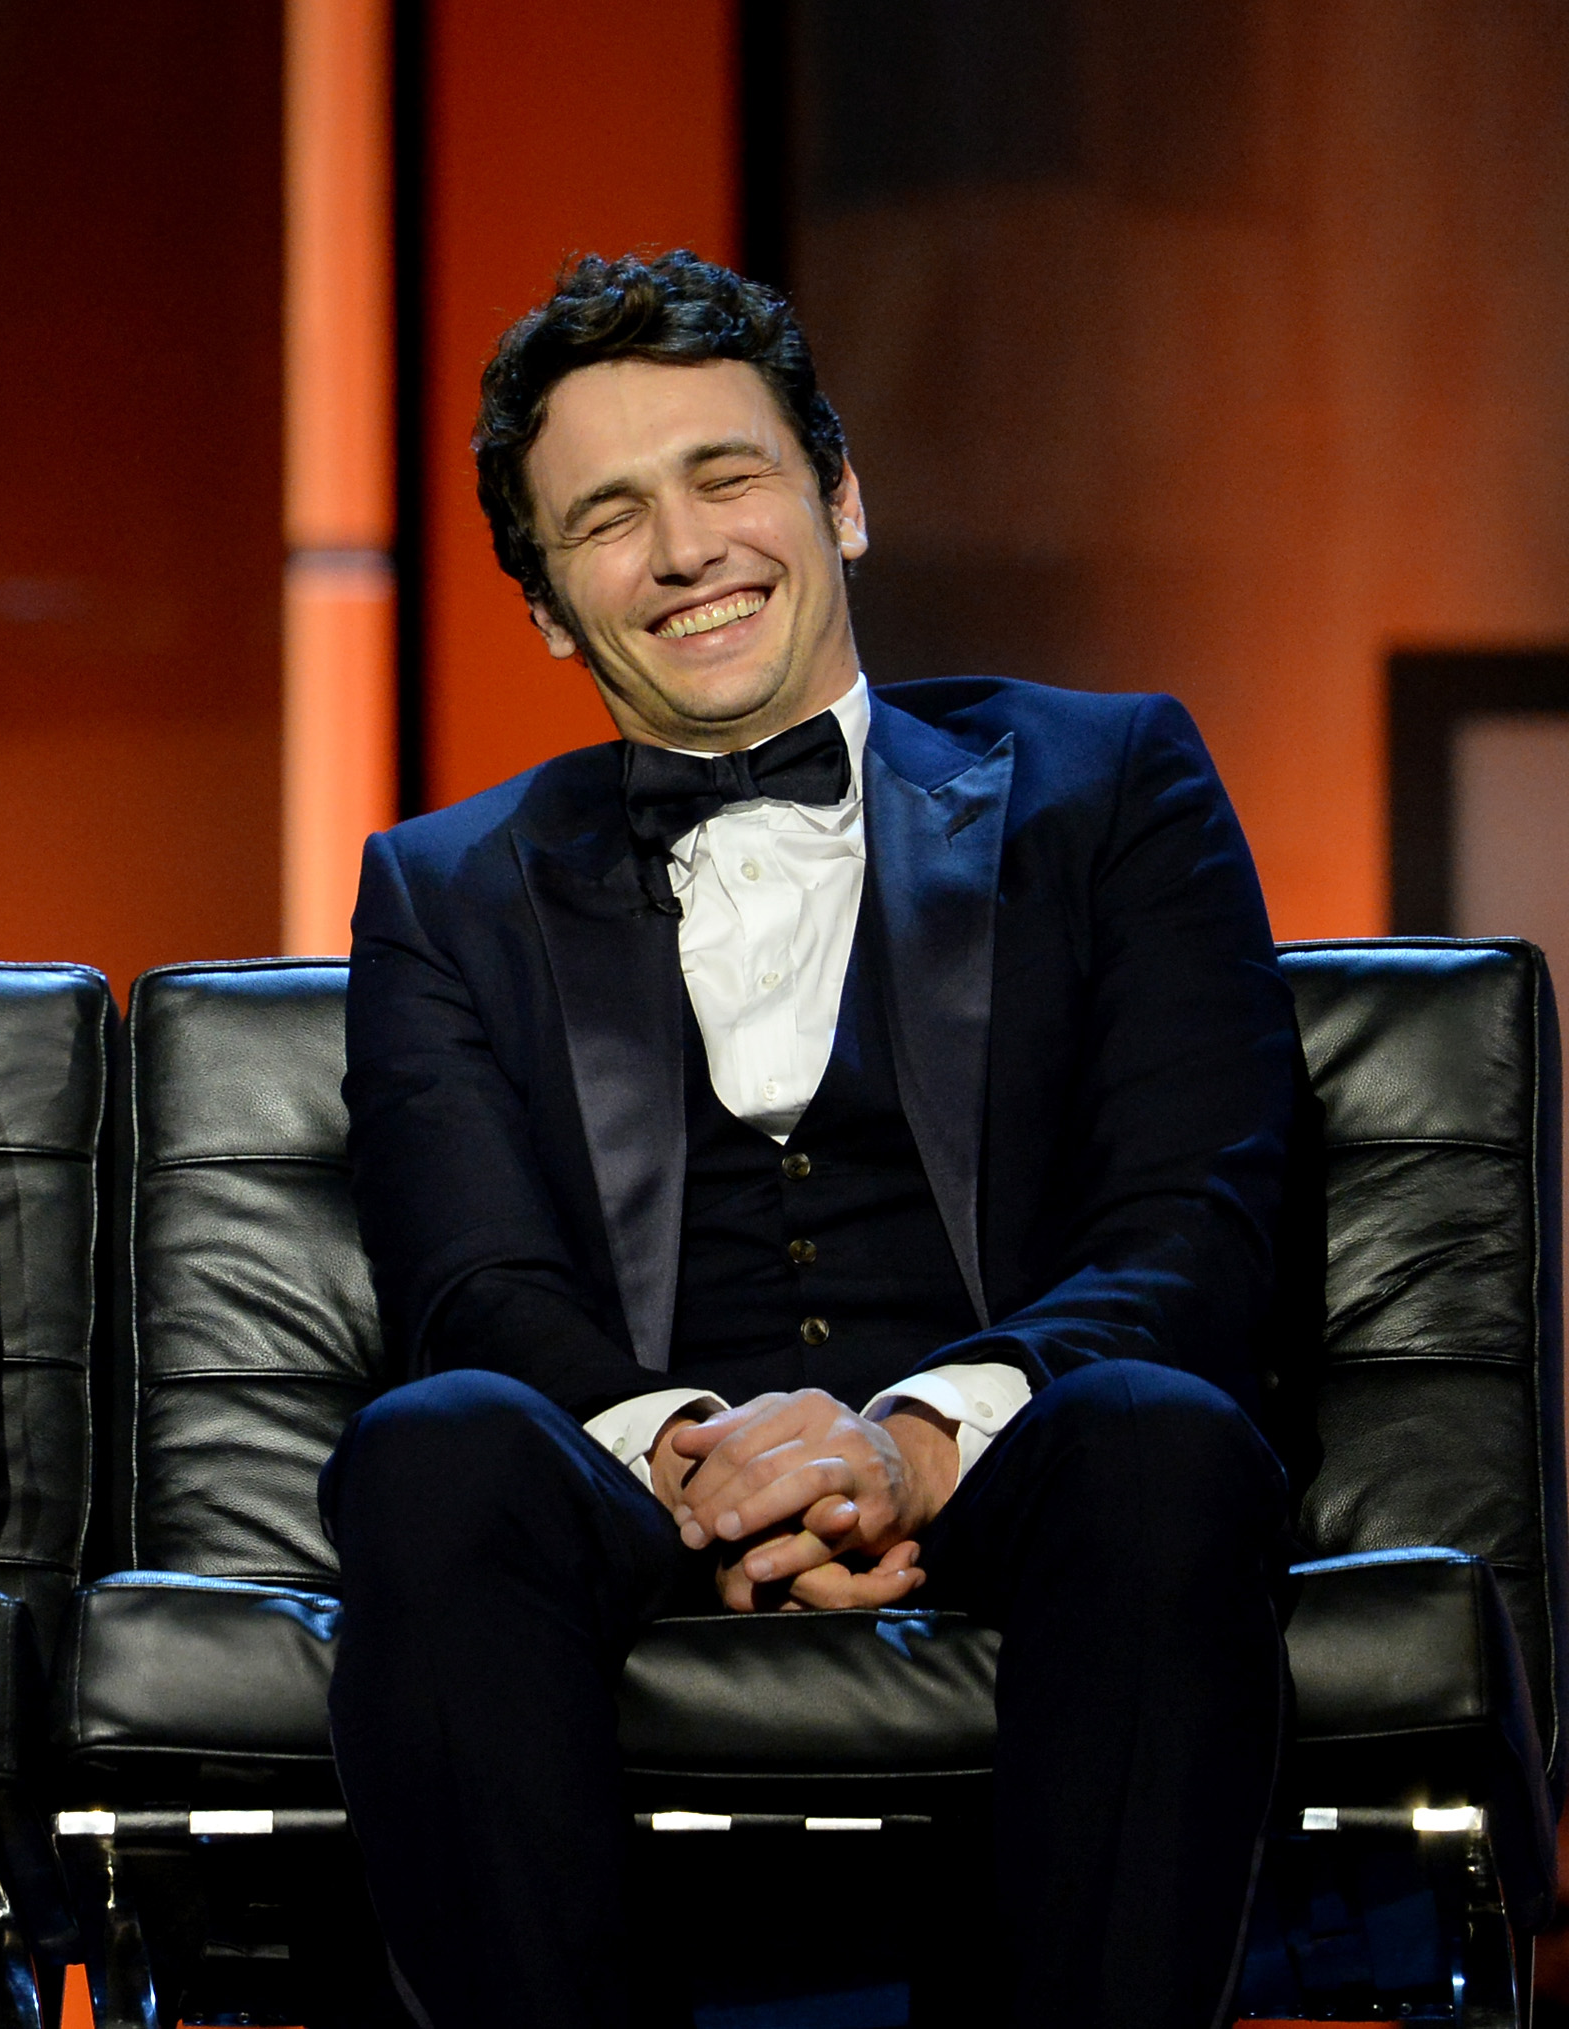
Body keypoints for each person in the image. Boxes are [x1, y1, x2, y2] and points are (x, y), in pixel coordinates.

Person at [321, 250, 1299, 2027]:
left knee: (1165, 1438)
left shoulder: (1113, 781)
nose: (686, 549)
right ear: (548, 604)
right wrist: (707, 1454)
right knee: (432, 1445)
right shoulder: (440, 889)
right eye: (607, 517)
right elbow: (477, 1286)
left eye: (728, 475)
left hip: (1021, 1457)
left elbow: (1200, 1224)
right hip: (642, 1485)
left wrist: (915, 1443)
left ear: (841, 499)